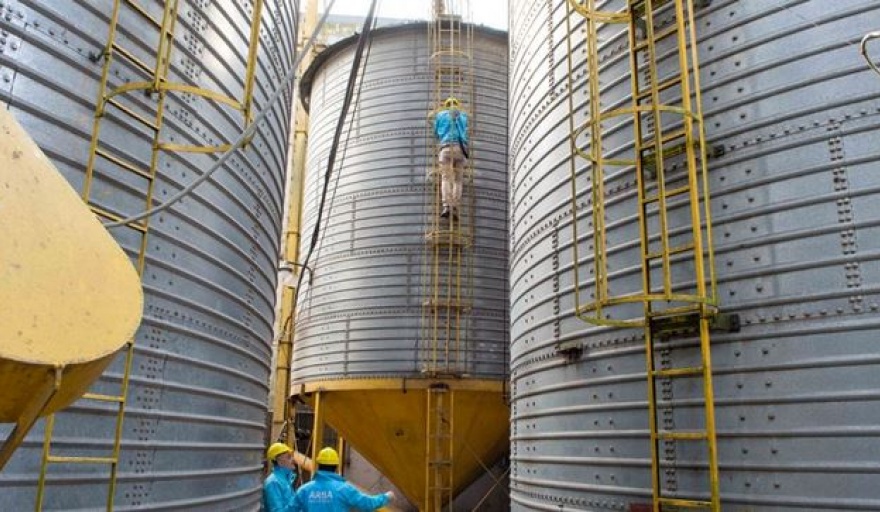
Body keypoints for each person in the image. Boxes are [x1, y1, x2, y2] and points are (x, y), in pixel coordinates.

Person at [295, 447, 394, 511]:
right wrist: (386, 497)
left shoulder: (304, 490)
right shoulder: (344, 489)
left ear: (318, 464)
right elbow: (367, 504)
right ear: (336, 466)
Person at [433, 96, 469, 220]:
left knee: (446, 178)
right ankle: (455, 207)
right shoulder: (463, 116)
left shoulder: (440, 115)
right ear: (457, 105)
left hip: (446, 148)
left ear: (446, 105)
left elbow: (436, 132)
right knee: (458, 180)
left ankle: (447, 206)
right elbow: (465, 130)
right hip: (461, 149)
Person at [263, 442, 301, 512]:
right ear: (279, 461)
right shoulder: (273, 482)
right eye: (289, 457)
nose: (293, 459)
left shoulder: (285, 480)